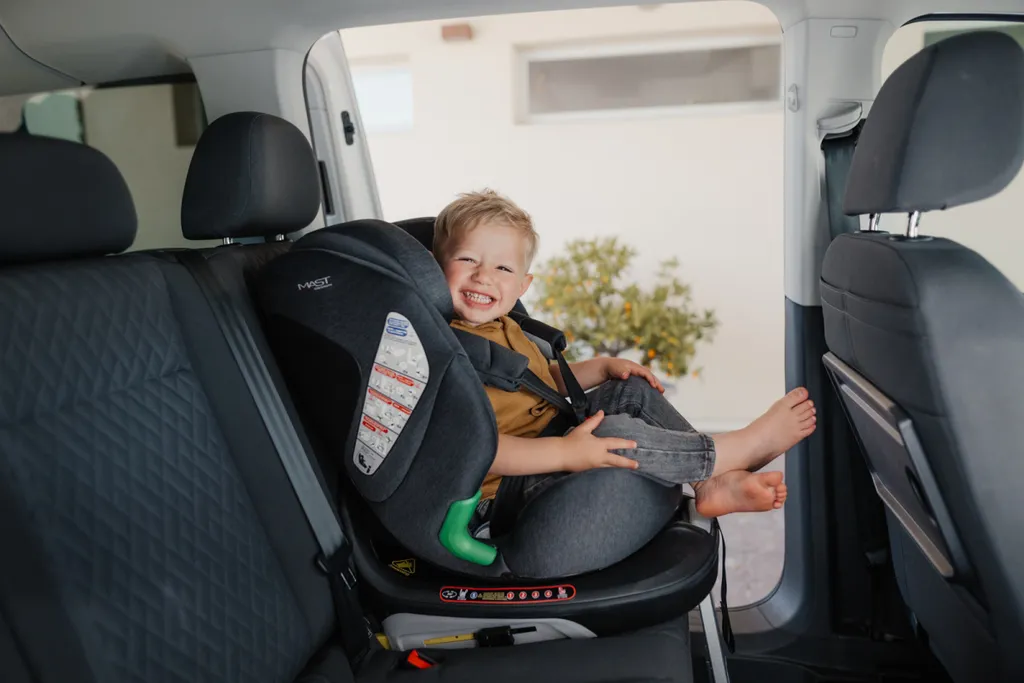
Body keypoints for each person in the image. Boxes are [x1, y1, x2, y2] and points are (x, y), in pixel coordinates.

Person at [434, 189, 816, 524]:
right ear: (434, 269)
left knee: (629, 390)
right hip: (501, 494)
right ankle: (727, 453)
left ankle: (708, 483)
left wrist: (600, 367)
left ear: (522, 285)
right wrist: (564, 452)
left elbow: (537, 380)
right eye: (467, 259)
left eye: (502, 267)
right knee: (611, 434)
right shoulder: (441, 349)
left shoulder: (505, 327)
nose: (484, 275)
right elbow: (478, 448)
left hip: (548, 443)